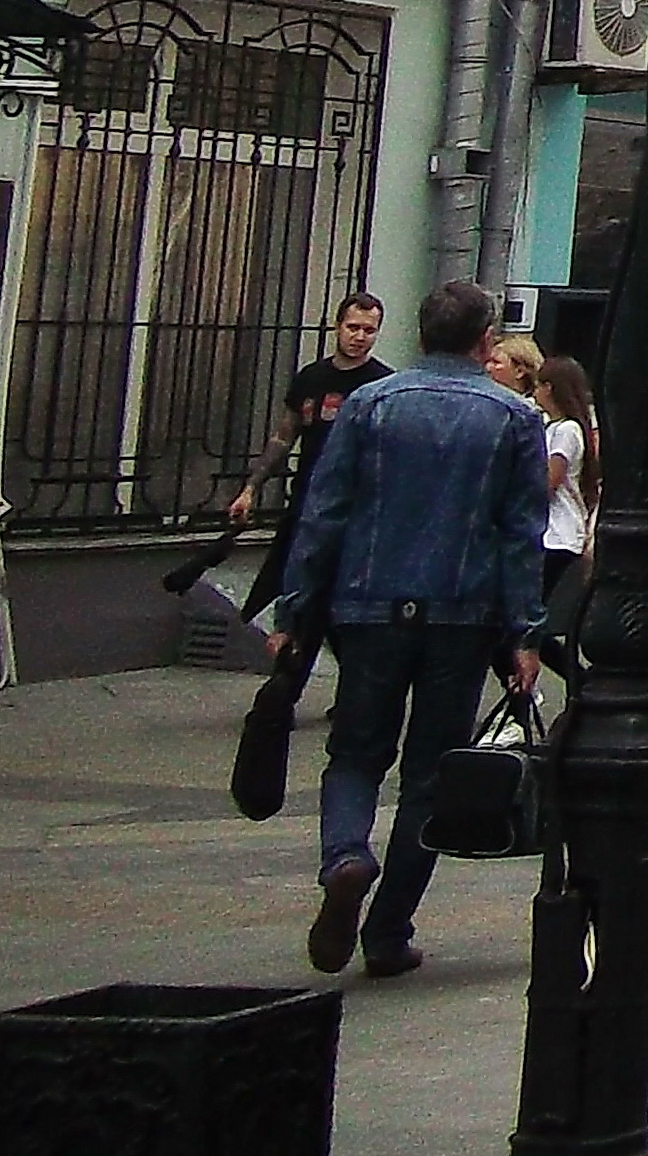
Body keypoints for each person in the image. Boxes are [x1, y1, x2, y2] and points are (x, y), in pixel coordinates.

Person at [268, 279, 547, 979]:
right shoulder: (513, 416)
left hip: (367, 605)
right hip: (462, 612)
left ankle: (346, 856)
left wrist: (294, 606)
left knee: (356, 752)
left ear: (419, 332)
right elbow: (521, 532)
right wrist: (524, 631)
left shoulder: (368, 402)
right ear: (486, 340)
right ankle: (388, 929)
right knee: (431, 774)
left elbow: (323, 510)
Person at [230, 293, 393, 696]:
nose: (359, 337)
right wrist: (251, 488)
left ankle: (336, 691)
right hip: (306, 504)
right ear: (337, 326)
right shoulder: (312, 378)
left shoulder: (382, 384)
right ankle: (288, 689)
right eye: (353, 327)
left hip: (355, 511)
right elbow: (284, 436)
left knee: (335, 606)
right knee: (301, 595)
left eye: (368, 330)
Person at [527, 349, 596, 665]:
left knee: (527, 618)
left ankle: (577, 680)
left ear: (550, 388)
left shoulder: (567, 430)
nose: (535, 392)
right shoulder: (549, 426)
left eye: (539, 385)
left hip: (556, 534)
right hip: (547, 533)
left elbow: (549, 483)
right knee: (524, 619)